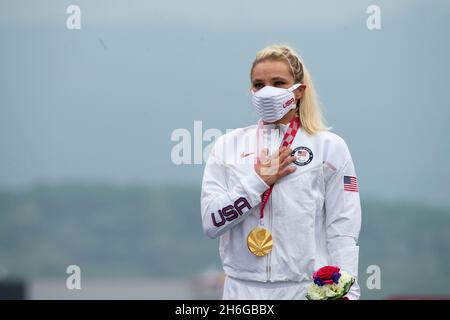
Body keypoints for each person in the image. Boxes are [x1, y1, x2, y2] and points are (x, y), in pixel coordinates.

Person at [200, 44, 362, 300]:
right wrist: (257, 182)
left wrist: (348, 292)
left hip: (305, 289)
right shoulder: (227, 146)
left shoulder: (329, 147)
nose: (267, 92)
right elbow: (211, 223)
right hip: (241, 290)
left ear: (299, 91)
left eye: (278, 83)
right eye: (258, 85)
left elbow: (342, 228)